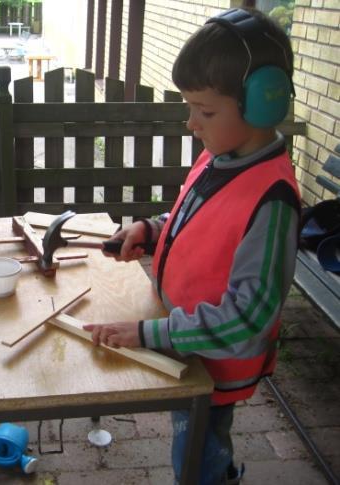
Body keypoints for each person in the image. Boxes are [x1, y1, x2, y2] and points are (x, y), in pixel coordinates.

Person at [83, 8, 300, 485]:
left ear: (263, 104)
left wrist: (145, 334)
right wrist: (150, 230)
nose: (190, 123)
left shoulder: (273, 201)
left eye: (204, 111)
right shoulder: (219, 158)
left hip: (213, 363)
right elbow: (192, 217)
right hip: (185, 340)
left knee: (196, 458)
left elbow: (247, 321)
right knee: (195, 447)